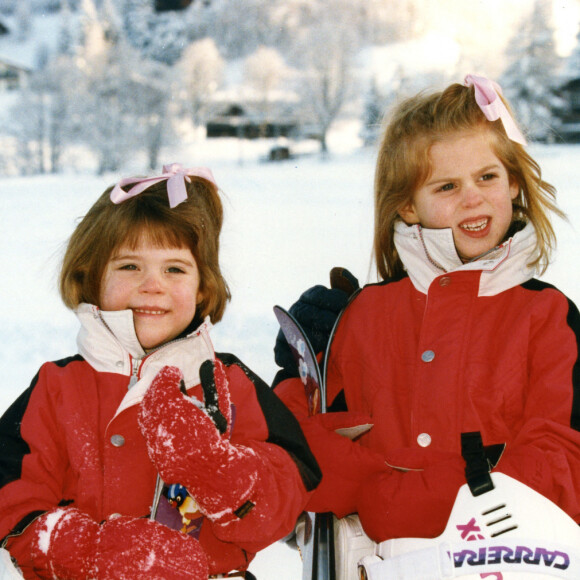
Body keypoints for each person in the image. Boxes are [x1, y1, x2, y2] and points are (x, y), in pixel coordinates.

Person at [273, 74, 580, 544]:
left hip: (508, 558)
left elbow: (560, 462)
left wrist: (399, 498)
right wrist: (299, 370)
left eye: (487, 177)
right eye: (446, 186)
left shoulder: (547, 315)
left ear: (514, 182)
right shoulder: (364, 316)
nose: (472, 197)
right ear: (409, 207)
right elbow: (304, 464)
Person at [0, 163, 320, 579]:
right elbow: (14, 505)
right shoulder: (56, 388)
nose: (153, 284)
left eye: (174, 269)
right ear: (91, 276)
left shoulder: (228, 384)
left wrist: (219, 468)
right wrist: (94, 552)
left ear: (203, 286)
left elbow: (286, 501)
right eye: (130, 266)